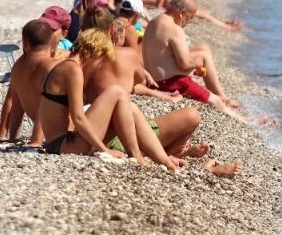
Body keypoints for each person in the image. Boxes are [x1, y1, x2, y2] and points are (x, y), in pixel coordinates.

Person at [83, 11, 243, 177]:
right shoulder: (126, 55)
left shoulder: (80, 60)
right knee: (191, 115)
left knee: (136, 113)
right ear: (116, 35)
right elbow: (140, 82)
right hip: (117, 136)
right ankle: (201, 171)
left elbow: (128, 87)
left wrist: (163, 96)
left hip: (93, 132)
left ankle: (173, 156)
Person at [36, 28, 142, 162]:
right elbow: (78, 118)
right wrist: (104, 149)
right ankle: (137, 155)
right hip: (64, 146)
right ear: (94, 52)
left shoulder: (66, 66)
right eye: (101, 60)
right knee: (117, 91)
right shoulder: (73, 70)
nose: (99, 65)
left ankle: (161, 159)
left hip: (57, 143)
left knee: (128, 107)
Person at [143, 0, 246, 122]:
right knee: (216, 101)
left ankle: (222, 96)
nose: (188, 22)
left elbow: (167, 53)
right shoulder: (175, 29)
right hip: (170, 83)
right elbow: (184, 65)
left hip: (154, 79)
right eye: (190, 18)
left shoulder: (155, 20)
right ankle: (245, 121)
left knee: (203, 49)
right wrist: (196, 63)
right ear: (182, 14)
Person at [0, 19, 62, 145]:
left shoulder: (17, 67)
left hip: (47, 134)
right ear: (51, 41)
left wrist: (12, 138)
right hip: (65, 133)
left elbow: (16, 108)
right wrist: (36, 141)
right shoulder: (54, 66)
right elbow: (46, 106)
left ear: (25, 43)